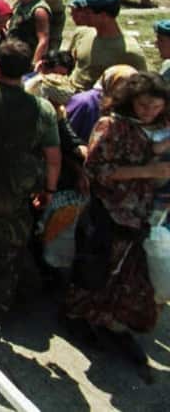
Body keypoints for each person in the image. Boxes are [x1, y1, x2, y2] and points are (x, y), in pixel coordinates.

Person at [64, 72, 170, 382]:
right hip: (109, 212)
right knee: (94, 270)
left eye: (155, 107)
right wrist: (147, 170)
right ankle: (77, 319)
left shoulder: (159, 129)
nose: (148, 112)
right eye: (143, 105)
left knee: (127, 275)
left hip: (144, 215)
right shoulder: (111, 126)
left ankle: (109, 323)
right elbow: (96, 169)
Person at [0, 39, 61, 346]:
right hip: (15, 193)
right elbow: (53, 156)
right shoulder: (42, 109)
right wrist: (48, 190)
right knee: (5, 262)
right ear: (29, 70)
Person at [65, 0, 146, 90]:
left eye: (88, 13)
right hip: (69, 89)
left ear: (104, 16)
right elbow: (68, 62)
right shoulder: (82, 33)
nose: (81, 16)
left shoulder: (130, 51)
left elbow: (141, 86)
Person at [5, 0, 50, 68]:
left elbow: (43, 40)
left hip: (24, 61)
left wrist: (34, 65)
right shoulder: (21, 3)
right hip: (12, 56)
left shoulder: (39, 10)